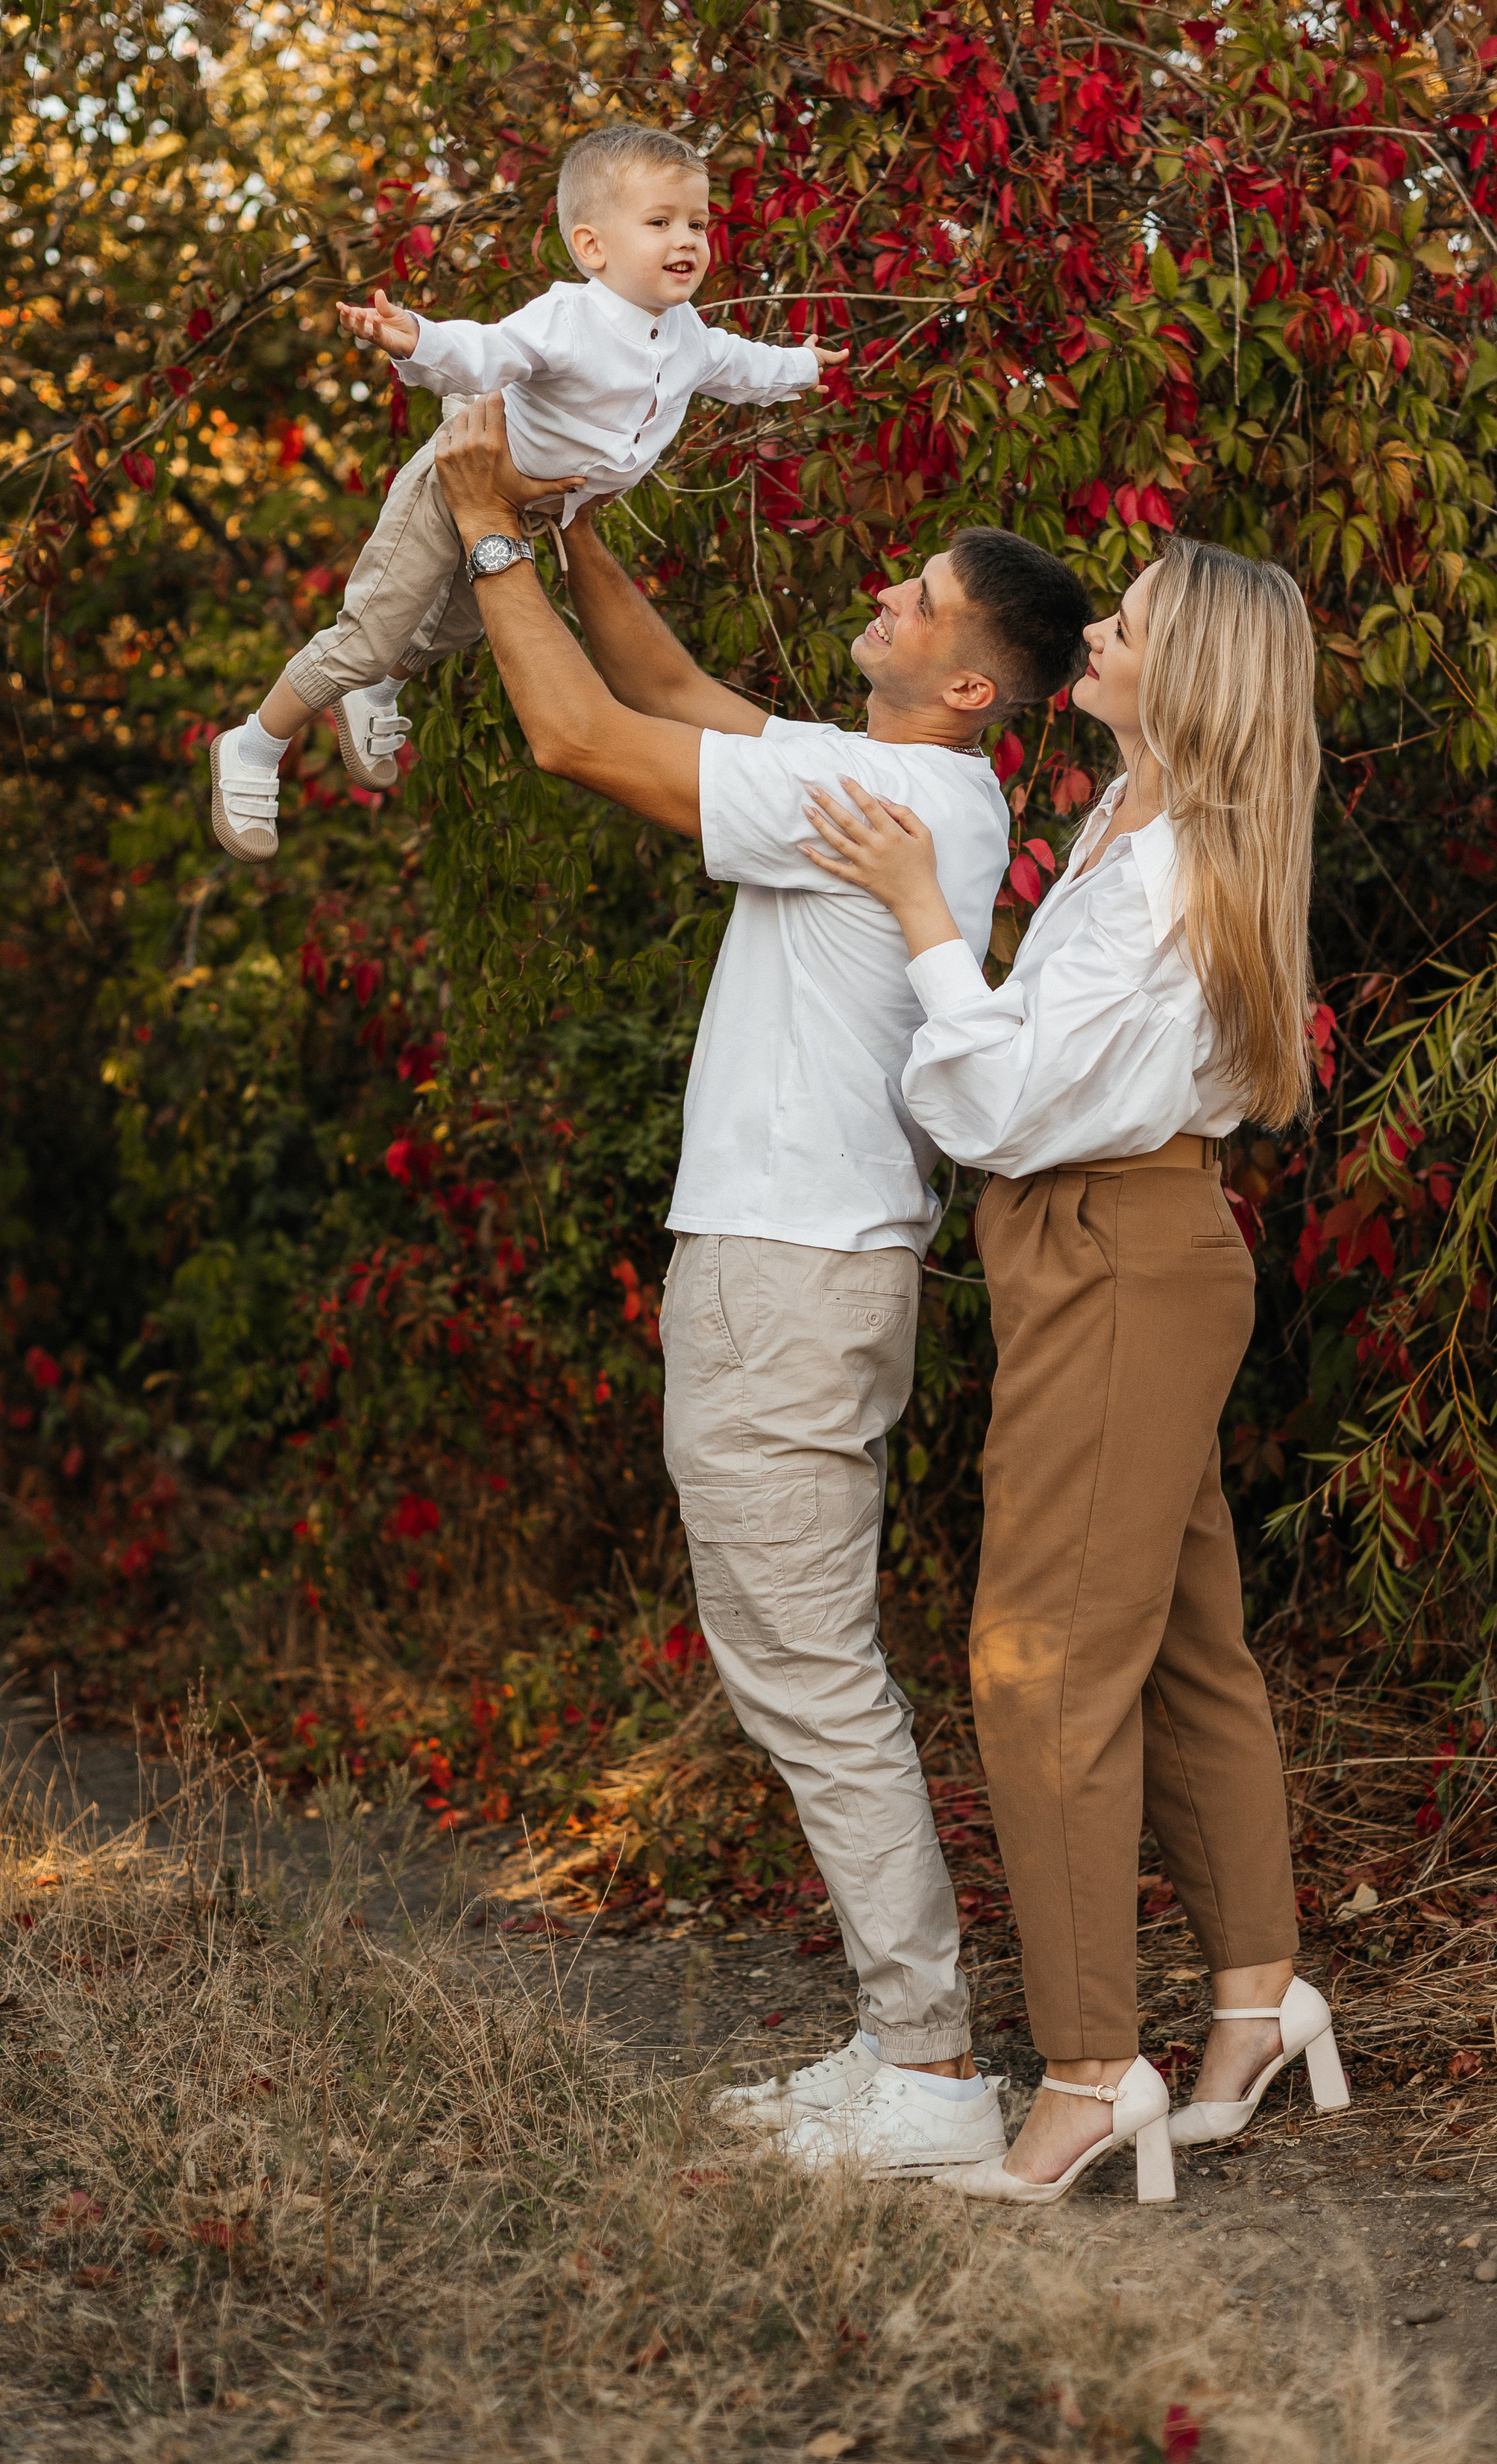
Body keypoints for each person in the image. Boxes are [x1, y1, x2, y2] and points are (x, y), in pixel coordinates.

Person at [431, 389, 1090, 2175]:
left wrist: (486, 524)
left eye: (923, 594)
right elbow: (667, 694)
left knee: (803, 1667)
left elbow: (575, 738)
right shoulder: (892, 779)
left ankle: (931, 2068)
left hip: (793, 1274)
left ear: (969, 682)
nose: (888, 585)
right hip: (788, 1264)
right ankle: (900, 2042)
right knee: (795, 1656)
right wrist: (573, 529)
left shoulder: (899, 789)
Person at [797, 536, 1349, 2207]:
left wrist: (913, 921)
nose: (1092, 633)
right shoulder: (1131, 828)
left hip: (1114, 1251)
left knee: (1036, 1665)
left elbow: (998, 1106)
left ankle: (1087, 2072)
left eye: (1125, 623)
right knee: (1183, 1649)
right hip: (1114, 1249)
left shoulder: (1170, 864)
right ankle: (1258, 1997)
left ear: (1187, 674)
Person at [207, 122, 842, 862]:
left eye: (698, 223)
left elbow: (742, 365)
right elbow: (487, 351)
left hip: (528, 511)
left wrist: (802, 366)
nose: (689, 239)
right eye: (661, 222)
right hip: (460, 478)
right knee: (370, 636)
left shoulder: (689, 333)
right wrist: (416, 337)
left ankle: (374, 694)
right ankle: (254, 745)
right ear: (593, 246)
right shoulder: (567, 317)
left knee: (457, 627)